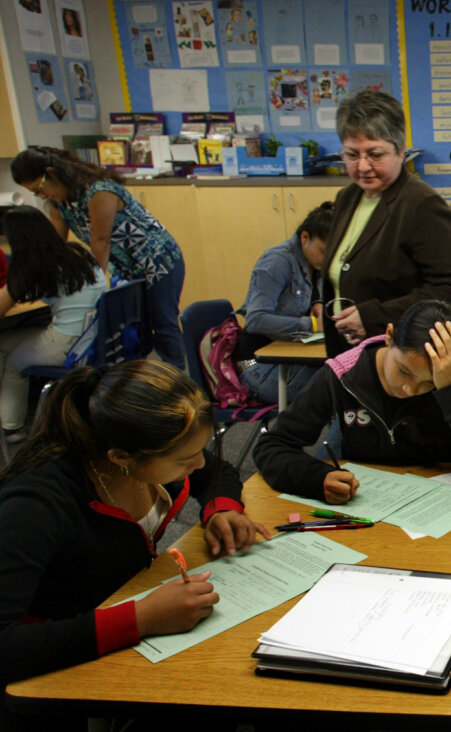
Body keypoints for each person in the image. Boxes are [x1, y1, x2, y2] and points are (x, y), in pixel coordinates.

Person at [0, 360, 269, 685]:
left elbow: (215, 471)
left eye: (200, 450)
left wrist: (221, 509)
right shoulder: (35, 506)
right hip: (59, 663)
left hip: (125, 605)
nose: (198, 463)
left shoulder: (148, 450)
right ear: (121, 458)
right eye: (185, 459)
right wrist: (140, 619)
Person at [254, 300, 451, 503]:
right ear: (389, 335)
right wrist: (316, 478)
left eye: (429, 383)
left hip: (441, 509)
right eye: (404, 371)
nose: (410, 389)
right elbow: (272, 446)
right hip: (367, 507)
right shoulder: (345, 374)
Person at [321, 90, 451, 356]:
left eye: (375, 154)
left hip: (398, 353)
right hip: (347, 351)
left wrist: (372, 316)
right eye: (352, 155)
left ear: (401, 151)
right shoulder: (348, 197)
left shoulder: (421, 204)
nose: (363, 166)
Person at [11, 146, 187, 368]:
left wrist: (91, 287)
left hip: (158, 260)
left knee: (162, 323)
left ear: (51, 172)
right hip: (125, 267)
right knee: (136, 331)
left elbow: (100, 241)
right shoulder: (58, 203)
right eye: (36, 194)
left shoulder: (98, 191)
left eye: (40, 188)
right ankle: (144, 384)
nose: (42, 195)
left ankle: (180, 384)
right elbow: (55, 246)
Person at [0, 207, 107, 438]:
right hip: (92, 337)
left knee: (12, 362)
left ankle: (11, 428)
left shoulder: (34, 266)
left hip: (67, 344)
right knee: (4, 341)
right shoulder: (77, 253)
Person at [238, 201, 334, 405]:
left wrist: (317, 302)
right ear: (304, 237)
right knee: (337, 390)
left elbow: (308, 297)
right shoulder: (277, 261)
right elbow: (255, 320)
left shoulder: (312, 262)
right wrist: (313, 326)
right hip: (254, 365)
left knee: (346, 376)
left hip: (288, 357)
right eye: (323, 251)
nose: (328, 261)